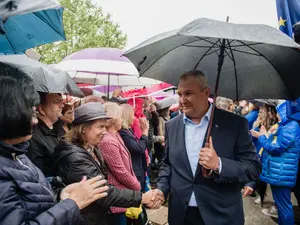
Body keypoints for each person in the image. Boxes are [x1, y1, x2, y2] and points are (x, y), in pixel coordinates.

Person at [0, 64, 109, 225]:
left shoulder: (17, 153)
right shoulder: (23, 149)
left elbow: (32, 191)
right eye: (30, 111)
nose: (34, 120)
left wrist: (60, 194)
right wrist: (71, 204)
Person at [150, 70, 261, 225]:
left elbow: (253, 168)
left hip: (221, 216)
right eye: (180, 94)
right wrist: (161, 189)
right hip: (181, 215)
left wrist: (219, 165)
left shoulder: (234, 124)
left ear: (206, 92)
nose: (182, 100)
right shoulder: (172, 126)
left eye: (188, 93)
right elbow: (168, 164)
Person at [52, 102, 162, 225]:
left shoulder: (92, 146)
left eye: (105, 126)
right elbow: (102, 192)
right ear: (84, 129)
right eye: (100, 127)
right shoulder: (74, 158)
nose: (104, 131)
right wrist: (142, 197)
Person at [251, 101, 300, 225]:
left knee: (284, 207)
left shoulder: (290, 126)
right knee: (282, 206)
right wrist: (265, 136)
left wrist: (262, 137)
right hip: (280, 171)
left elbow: (276, 148)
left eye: (278, 112)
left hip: (282, 173)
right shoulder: (288, 125)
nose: (276, 115)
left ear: (284, 112)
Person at [99, 102, 141, 225]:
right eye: (120, 116)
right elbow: (120, 171)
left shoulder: (115, 135)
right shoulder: (107, 140)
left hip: (122, 194)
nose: (122, 120)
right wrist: (137, 186)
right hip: (115, 198)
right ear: (112, 119)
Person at [26, 92, 65, 178]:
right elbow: (39, 174)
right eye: (57, 101)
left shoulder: (60, 129)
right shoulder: (33, 137)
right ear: (41, 109)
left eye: (62, 100)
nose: (62, 105)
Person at [119, 104, 149, 191]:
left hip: (138, 169)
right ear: (127, 116)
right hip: (134, 172)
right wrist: (145, 132)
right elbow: (139, 149)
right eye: (132, 115)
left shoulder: (128, 130)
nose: (133, 118)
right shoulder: (123, 133)